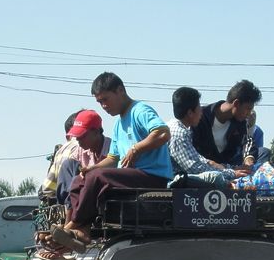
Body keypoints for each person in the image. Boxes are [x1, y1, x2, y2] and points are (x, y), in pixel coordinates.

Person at [56, 73, 172, 249]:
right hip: (132, 176)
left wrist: (136, 148)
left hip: (152, 176)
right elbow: (112, 158)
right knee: (80, 178)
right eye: (99, 102)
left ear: (120, 91)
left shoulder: (140, 111)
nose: (104, 106)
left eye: (105, 99)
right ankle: (84, 230)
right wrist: (91, 168)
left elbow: (163, 133)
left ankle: (75, 224)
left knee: (96, 176)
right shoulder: (119, 124)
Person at [167, 87, 244, 189]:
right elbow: (195, 168)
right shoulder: (179, 134)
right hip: (176, 180)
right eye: (199, 107)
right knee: (216, 177)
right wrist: (231, 173)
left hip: (185, 176)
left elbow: (200, 160)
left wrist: (229, 168)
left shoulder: (182, 128)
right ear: (190, 113)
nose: (201, 111)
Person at [191, 79, 262, 169]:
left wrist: (249, 158)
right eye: (248, 109)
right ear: (236, 103)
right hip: (204, 167)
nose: (249, 113)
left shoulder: (241, 123)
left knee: (263, 152)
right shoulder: (201, 117)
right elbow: (190, 151)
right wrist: (212, 164)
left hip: (228, 166)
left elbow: (247, 141)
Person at [54, 110, 109, 207]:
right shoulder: (79, 150)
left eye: (82, 136)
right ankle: (71, 208)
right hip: (80, 198)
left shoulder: (112, 148)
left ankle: (73, 214)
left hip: (101, 197)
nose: (78, 140)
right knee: (68, 164)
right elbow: (68, 174)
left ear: (96, 132)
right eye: (77, 136)